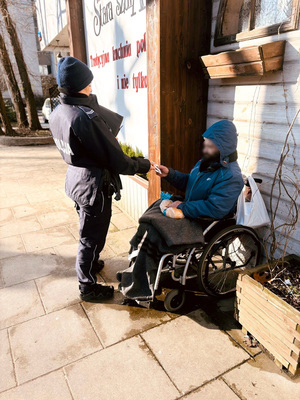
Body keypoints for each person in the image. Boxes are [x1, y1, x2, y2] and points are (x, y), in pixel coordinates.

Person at [49, 56, 154, 302]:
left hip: (76, 181)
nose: (91, 87)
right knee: (91, 236)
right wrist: (145, 165)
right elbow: (117, 160)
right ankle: (87, 286)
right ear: (78, 85)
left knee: (88, 230)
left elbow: (79, 147)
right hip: (93, 186)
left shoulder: (58, 112)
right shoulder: (84, 117)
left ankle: (92, 263)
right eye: (87, 83)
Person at [118, 120, 245, 303]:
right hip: (190, 212)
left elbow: (215, 208)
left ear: (223, 148)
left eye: (210, 146)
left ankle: (141, 284)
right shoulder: (208, 162)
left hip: (204, 223)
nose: (205, 149)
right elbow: (190, 183)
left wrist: (182, 207)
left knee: (155, 230)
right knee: (149, 218)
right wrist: (169, 174)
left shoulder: (231, 176)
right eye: (205, 144)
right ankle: (137, 269)